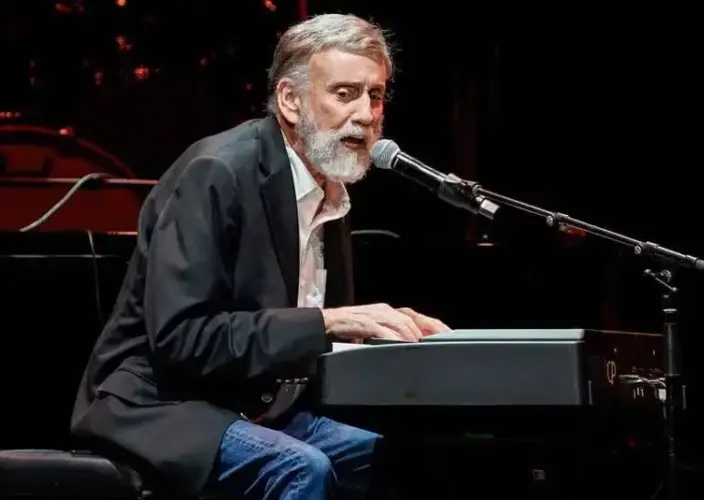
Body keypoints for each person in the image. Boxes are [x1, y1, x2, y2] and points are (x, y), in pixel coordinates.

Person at [69, 12, 449, 500]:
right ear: (291, 100)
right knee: (299, 469)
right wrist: (329, 322)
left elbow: (307, 338)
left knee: (398, 457)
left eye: (375, 96)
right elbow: (183, 339)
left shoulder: (330, 182)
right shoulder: (217, 172)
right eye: (344, 93)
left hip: (256, 404)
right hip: (159, 404)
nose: (366, 114)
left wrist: (391, 335)